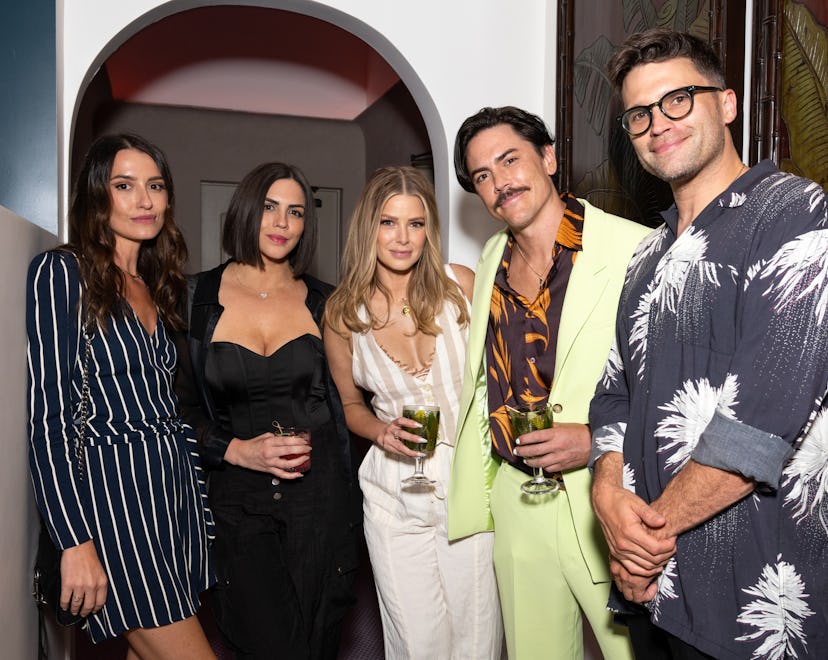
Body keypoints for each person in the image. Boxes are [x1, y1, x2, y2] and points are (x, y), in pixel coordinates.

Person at [589, 28, 828, 659]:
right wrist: (607, 499)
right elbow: (613, 399)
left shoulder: (798, 215)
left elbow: (759, 425)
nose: (656, 124)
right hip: (657, 593)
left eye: (677, 100)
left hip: (751, 598)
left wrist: (642, 539)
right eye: (639, 114)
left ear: (725, 103)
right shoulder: (647, 253)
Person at [448, 106, 650, 659]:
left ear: (548, 157)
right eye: (482, 175)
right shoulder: (491, 257)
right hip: (519, 498)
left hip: (609, 495)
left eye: (509, 160)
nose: (498, 182)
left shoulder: (636, 249)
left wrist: (593, 440)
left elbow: (671, 385)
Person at [26, 134, 215, 657]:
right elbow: (49, 418)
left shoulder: (155, 282)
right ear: (96, 195)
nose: (145, 200)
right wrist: (74, 540)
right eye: (125, 186)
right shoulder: (62, 273)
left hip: (169, 503)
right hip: (112, 510)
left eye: (155, 186)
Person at [175, 161, 358, 660]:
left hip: (320, 507)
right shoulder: (194, 300)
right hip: (238, 507)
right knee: (271, 644)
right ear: (246, 211)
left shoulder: (327, 303)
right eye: (270, 208)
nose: (282, 223)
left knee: (318, 642)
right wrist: (232, 449)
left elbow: (352, 399)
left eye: (295, 212)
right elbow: (176, 409)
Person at [324, 166, 503, 659]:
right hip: (393, 493)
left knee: (476, 637)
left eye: (415, 224)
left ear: (429, 231)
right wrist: (380, 433)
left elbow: (505, 375)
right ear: (368, 228)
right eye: (388, 222)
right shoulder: (343, 314)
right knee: (415, 641)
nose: (402, 238)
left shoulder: (460, 287)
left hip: (469, 483)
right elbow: (349, 406)